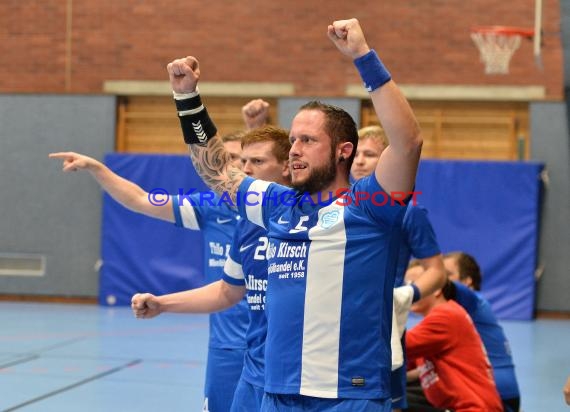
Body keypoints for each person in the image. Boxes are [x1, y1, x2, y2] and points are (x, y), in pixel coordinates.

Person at [165, 18, 445, 411]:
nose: (294, 149)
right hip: (278, 394)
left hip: (349, 395)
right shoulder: (278, 205)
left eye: (308, 140)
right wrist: (187, 100)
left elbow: (408, 141)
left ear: (343, 151)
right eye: (293, 139)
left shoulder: (369, 206)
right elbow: (216, 171)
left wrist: (364, 58)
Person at [49, 131, 250, 412]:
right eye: (225, 160)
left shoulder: (276, 211)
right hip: (225, 349)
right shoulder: (210, 207)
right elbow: (141, 199)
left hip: (269, 347)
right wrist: (98, 168)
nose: (234, 167)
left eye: (242, 159)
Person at [132, 125, 291, 412]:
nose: (244, 170)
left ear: (289, 167)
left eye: (256, 162)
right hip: (249, 364)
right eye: (242, 161)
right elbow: (226, 291)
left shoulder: (313, 215)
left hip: (295, 370)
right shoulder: (247, 224)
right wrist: (162, 303)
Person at [350, 126, 445, 412]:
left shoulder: (409, 211)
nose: (360, 161)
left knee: (388, 402)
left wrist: (406, 295)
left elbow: (436, 270)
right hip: (340, 319)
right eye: (356, 153)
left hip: (383, 322)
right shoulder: (334, 203)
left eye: (370, 154)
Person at [404, 265, 503, 412]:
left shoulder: (445, 316)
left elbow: (396, 347)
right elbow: (396, 362)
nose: (408, 291)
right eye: (406, 284)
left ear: (437, 289)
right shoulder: (435, 322)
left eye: (414, 284)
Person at [444, 252, 521, 412]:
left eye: (448, 274)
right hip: (495, 390)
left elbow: (446, 286)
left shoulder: (474, 301)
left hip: (496, 394)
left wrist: (431, 269)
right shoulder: (451, 312)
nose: (441, 278)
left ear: (467, 282)